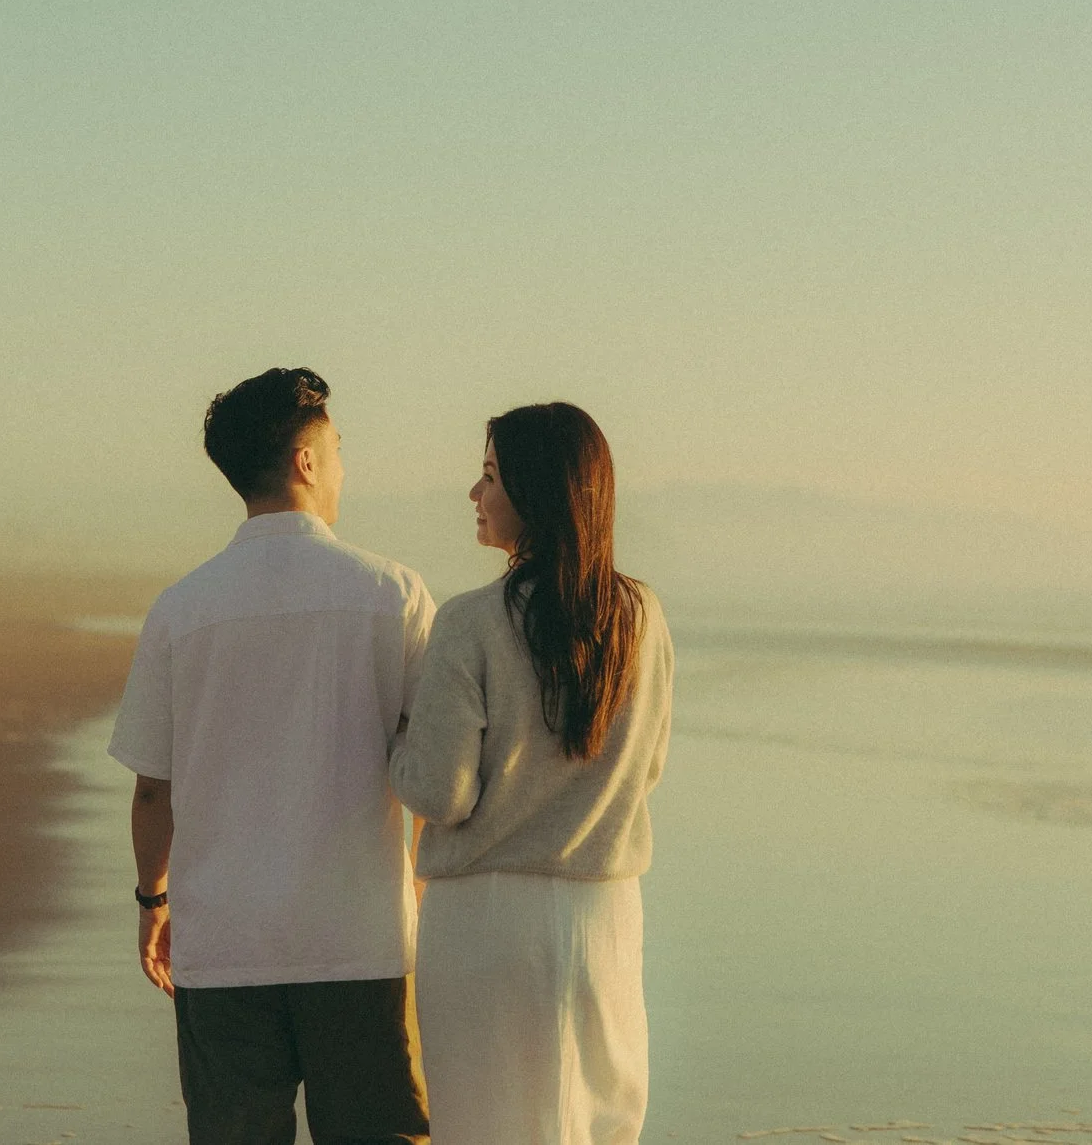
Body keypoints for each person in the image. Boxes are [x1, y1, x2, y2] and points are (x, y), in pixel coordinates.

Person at [108, 367, 436, 1145]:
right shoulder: (393, 594)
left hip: (224, 940)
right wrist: (420, 889)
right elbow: (432, 767)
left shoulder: (182, 608)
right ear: (306, 461)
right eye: (338, 449)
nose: (344, 468)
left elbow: (153, 789)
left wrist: (153, 901)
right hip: (359, 937)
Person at [388, 402, 675, 1145]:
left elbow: (442, 793)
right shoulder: (642, 615)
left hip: (485, 919)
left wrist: (398, 740)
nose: (474, 494)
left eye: (490, 477)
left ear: (538, 492)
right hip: (605, 913)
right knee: (600, 1127)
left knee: (486, 1125)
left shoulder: (470, 620)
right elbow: (648, 767)